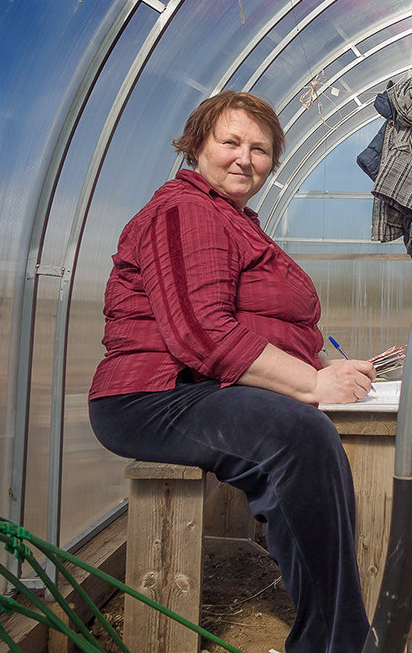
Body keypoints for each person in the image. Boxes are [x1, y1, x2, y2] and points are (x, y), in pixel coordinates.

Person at [88, 91, 379, 652]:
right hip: (151, 397)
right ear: (198, 145)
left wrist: (319, 365)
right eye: (231, 142)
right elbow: (202, 334)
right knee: (296, 434)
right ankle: (339, 642)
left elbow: (252, 322)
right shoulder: (185, 209)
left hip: (198, 390)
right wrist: (314, 384)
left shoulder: (235, 218)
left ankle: (338, 624)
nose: (246, 158)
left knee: (304, 436)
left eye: (261, 149)